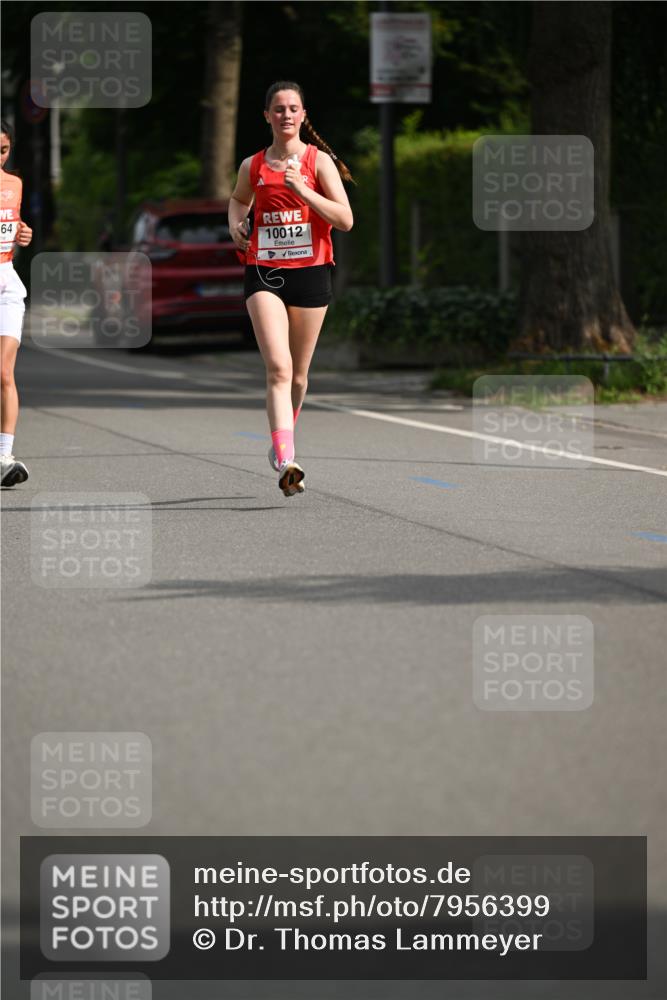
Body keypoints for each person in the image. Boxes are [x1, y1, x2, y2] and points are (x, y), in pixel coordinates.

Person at [229, 81, 353, 497]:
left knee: (298, 376)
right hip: (263, 271)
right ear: (266, 115)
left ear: (303, 116)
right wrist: (235, 227)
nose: (285, 115)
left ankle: (281, 439)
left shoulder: (319, 163)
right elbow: (238, 200)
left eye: (293, 108)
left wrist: (302, 190)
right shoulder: (253, 164)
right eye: (278, 109)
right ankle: (287, 459)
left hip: (312, 272)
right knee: (278, 368)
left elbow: (345, 219)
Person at [0, 119, 32, 487]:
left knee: (5, 373)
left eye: (4, 150)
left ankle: (4, 456)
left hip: (7, 282)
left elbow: (14, 227)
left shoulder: (14, 184)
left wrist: (24, 233)